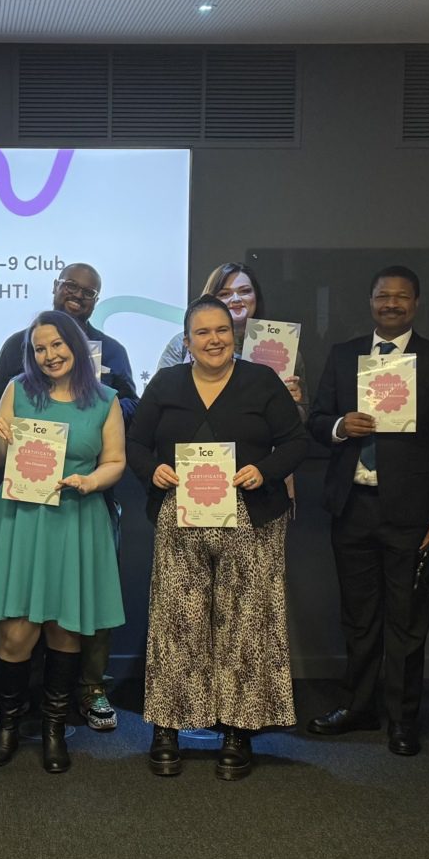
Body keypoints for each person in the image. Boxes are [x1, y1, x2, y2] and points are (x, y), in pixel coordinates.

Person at [125, 296, 306, 780]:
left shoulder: (261, 382)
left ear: (234, 335)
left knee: (245, 627)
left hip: (251, 521)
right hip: (180, 521)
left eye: (221, 330)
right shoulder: (165, 384)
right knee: (176, 625)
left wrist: (263, 470)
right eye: (202, 332)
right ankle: (168, 728)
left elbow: (295, 443)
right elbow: (135, 446)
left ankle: (236, 730)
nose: (213, 340)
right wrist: (154, 470)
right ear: (186, 341)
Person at [306, 266, 429, 757]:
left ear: (415, 303)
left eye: (400, 297)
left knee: (407, 620)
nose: (390, 304)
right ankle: (359, 707)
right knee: (358, 617)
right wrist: (338, 426)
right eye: (382, 296)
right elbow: (314, 421)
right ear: (370, 301)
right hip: (353, 506)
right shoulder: (343, 355)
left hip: (412, 514)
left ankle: (402, 718)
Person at [0, 261, 139, 733]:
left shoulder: (108, 390)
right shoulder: (17, 383)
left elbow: (117, 451)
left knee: (68, 627)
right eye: (41, 348)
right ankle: (9, 720)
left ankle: (59, 724)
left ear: (78, 346)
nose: (50, 354)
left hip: (77, 517)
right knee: (16, 630)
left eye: (58, 345)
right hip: (23, 518)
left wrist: (92, 482)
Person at [154, 261, 306, 410]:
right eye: (224, 293)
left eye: (244, 291)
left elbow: (302, 419)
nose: (236, 299)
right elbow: (158, 401)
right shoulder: (181, 344)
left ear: (256, 297)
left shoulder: (285, 350)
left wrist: (292, 404)